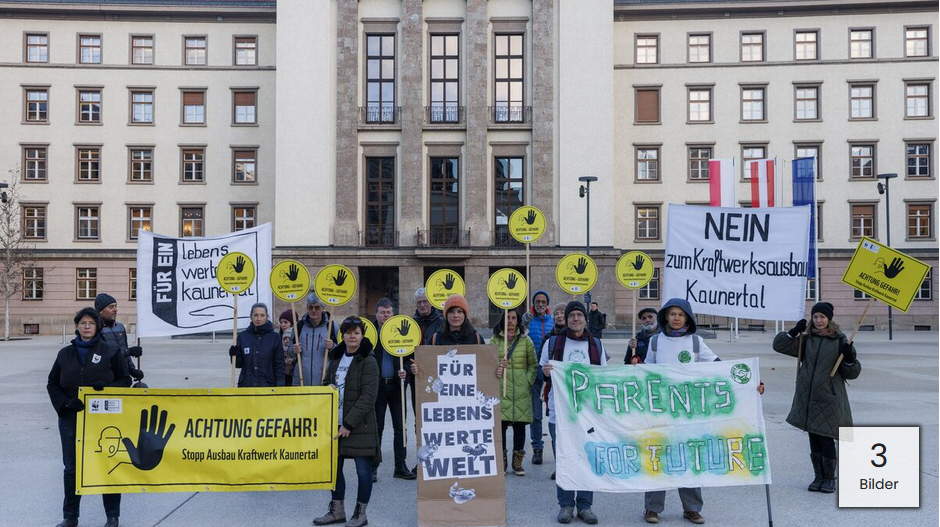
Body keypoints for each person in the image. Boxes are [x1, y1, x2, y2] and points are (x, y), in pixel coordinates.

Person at [632, 298, 717, 525]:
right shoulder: (655, 342)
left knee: (689, 457)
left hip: (689, 412)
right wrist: (636, 369)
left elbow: (720, 367)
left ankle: (692, 508)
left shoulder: (696, 343)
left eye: (681, 314)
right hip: (660, 411)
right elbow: (647, 371)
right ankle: (652, 508)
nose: (676, 318)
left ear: (687, 317)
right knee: (658, 457)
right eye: (672, 314)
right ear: (666, 317)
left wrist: (749, 381)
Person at [48, 307, 131, 527]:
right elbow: (52, 384)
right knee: (72, 469)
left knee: (108, 465)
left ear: (97, 326)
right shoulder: (65, 354)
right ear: (77, 326)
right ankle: (70, 516)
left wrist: (107, 388)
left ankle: (112, 516)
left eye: (91, 323)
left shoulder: (110, 351)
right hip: (71, 419)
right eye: (82, 323)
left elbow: (125, 381)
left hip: (103, 419)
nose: (86, 327)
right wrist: (65, 403)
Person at [773, 302, 860, 495]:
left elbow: (852, 372)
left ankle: (829, 478)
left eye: (822, 317)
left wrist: (849, 358)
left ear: (829, 319)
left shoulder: (839, 340)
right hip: (809, 396)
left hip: (829, 397)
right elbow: (779, 345)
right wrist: (793, 332)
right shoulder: (807, 339)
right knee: (813, 436)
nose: (818, 321)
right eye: (815, 317)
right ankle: (818, 476)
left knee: (826, 438)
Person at [540, 301, 606, 525]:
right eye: (572, 316)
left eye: (579, 315)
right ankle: (566, 505)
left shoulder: (595, 344)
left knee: (587, 458)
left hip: (587, 415)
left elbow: (603, 377)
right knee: (565, 460)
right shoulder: (552, 343)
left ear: (585, 319)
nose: (575, 319)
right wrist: (547, 372)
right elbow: (542, 373)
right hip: (559, 412)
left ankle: (585, 506)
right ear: (566, 319)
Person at [315, 317, 380, 527]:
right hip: (335, 423)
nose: (352, 336)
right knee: (333, 469)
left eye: (356, 332)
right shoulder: (336, 358)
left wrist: (348, 424)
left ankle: (360, 513)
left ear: (362, 336)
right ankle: (337, 511)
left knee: (363, 472)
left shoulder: (368, 360)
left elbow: (369, 397)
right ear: (342, 335)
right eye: (348, 332)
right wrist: (328, 387)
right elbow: (326, 382)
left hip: (359, 426)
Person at [371, 298, 415, 481]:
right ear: (376, 314)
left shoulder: (401, 331)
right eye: (382, 312)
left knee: (400, 428)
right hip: (378, 387)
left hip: (397, 386)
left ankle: (400, 466)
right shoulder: (370, 333)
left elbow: (410, 356)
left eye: (388, 312)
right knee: (377, 428)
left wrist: (405, 370)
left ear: (393, 314)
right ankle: (373, 467)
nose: (385, 315)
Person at [492, 307, 537, 476]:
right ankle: (501, 461)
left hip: (520, 389)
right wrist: (496, 369)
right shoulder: (495, 341)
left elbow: (533, 364)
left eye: (513, 318)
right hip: (501, 389)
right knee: (501, 426)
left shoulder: (526, 341)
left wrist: (527, 381)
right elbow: (488, 363)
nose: (510, 321)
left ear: (518, 321)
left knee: (519, 426)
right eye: (507, 317)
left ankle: (517, 462)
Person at [521, 290, 551, 465]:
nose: (541, 304)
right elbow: (519, 338)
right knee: (536, 414)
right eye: (538, 302)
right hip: (533, 372)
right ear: (533, 303)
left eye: (543, 301)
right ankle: (537, 448)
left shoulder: (552, 321)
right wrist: (522, 326)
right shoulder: (528, 320)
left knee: (554, 413)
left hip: (549, 373)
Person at [228, 303, 285, 387]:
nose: (259, 319)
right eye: (256, 315)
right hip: (247, 386)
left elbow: (279, 364)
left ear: (267, 317)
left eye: (262, 315)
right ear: (251, 316)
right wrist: (234, 355)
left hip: (267, 386)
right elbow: (238, 364)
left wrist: (280, 386)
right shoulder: (243, 337)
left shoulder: (274, 337)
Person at [95, 293, 145, 388]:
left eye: (116, 306)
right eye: (111, 307)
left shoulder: (120, 327)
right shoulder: (95, 329)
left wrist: (132, 370)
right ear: (100, 311)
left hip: (123, 377)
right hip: (107, 378)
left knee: (142, 388)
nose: (115, 309)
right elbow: (104, 354)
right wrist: (129, 351)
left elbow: (124, 349)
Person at [292, 293, 337, 386]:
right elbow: (288, 351)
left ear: (322, 308)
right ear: (307, 308)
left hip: (324, 379)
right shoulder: (299, 326)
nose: (313, 310)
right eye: (310, 307)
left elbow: (340, 351)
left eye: (317, 307)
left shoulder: (331, 326)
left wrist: (332, 346)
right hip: (301, 380)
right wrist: (294, 350)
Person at [278, 309, 296, 386]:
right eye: (281, 322)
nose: (283, 325)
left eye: (286, 322)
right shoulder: (279, 336)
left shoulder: (293, 335)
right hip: (284, 373)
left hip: (293, 373)